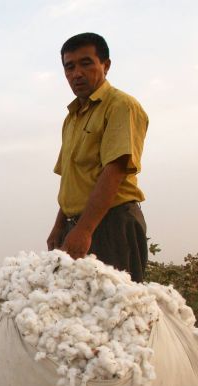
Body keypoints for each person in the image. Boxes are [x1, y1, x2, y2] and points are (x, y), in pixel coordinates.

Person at [46, 32, 149, 282]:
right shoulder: (72, 118)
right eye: (69, 67)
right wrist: (59, 227)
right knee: (77, 311)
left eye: (86, 63)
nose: (76, 73)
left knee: (115, 312)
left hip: (111, 224)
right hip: (80, 224)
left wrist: (85, 229)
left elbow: (114, 171)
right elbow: (74, 179)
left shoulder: (120, 106)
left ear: (106, 65)